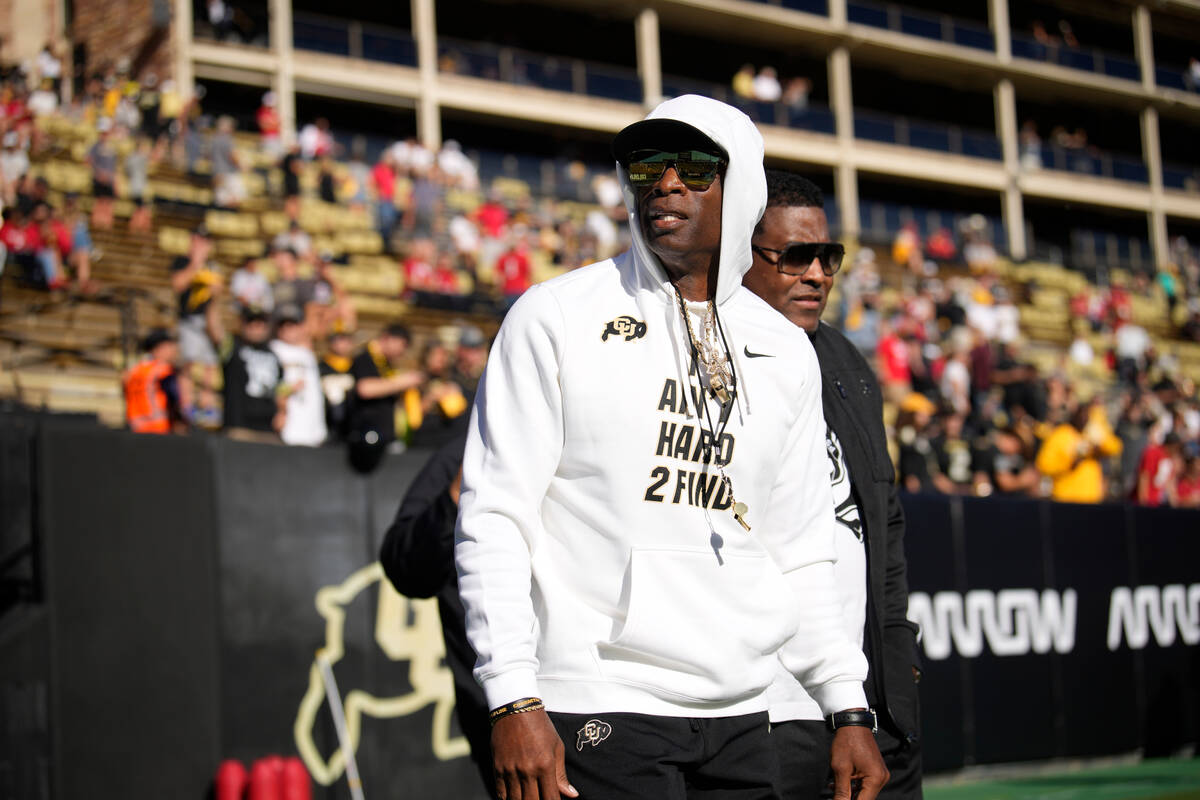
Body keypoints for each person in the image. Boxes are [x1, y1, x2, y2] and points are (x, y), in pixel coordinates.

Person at [455, 95, 885, 800]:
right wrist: (512, 697)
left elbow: (802, 546)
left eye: (692, 166)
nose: (666, 183)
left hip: (745, 711)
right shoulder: (557, 315)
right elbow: (495, 517)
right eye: (647, 166)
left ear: (740, 182)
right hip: (596, 700)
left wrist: (846, 704)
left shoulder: (784, 349)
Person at [741, 170, 921, 799]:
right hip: (765, 709)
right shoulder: (707, 359)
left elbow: (884, 525)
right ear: (742, 253)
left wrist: (892, 658)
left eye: (828, 257)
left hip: (871, 699)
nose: (817, 273)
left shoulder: (844, 360)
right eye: (795, 257)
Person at [378, 433, 492, 794]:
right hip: (501, 710)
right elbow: (405, 566)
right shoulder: (473, 442)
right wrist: (457, 494)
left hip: (614, 698)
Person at [346, 323, 425, 468]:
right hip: (365, 440)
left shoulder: (386, 365)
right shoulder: (364, 358)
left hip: (383, 440)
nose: (402, 352)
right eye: (402, 345)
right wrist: (402, 382)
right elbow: (365, 389)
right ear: (387, 338)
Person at [207, 304, 286, 439]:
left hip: (268, 429)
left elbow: (280, 388)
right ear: (242, 324)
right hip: (239, 427)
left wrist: (282, 412)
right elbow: (214, 331)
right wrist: (213, 303)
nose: (256, 327)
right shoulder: (233, 347)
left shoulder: (274, 354)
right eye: (251, 322)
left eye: (261, 323)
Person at [270, 312, 327, 447]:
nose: (287, 330)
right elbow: (270, 383)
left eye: (292, 325)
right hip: (289, 425)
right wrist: (281, 408)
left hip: (311, 426)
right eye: (283, 326)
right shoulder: (274, 349)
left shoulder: (307, 353)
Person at [123, 328, 183, 434]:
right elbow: (175, 399)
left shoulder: (134, 370)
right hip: (159, 428)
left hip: (135, 428)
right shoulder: (164, 370)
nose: (174, 350)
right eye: (170, 346)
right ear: (158, 348)